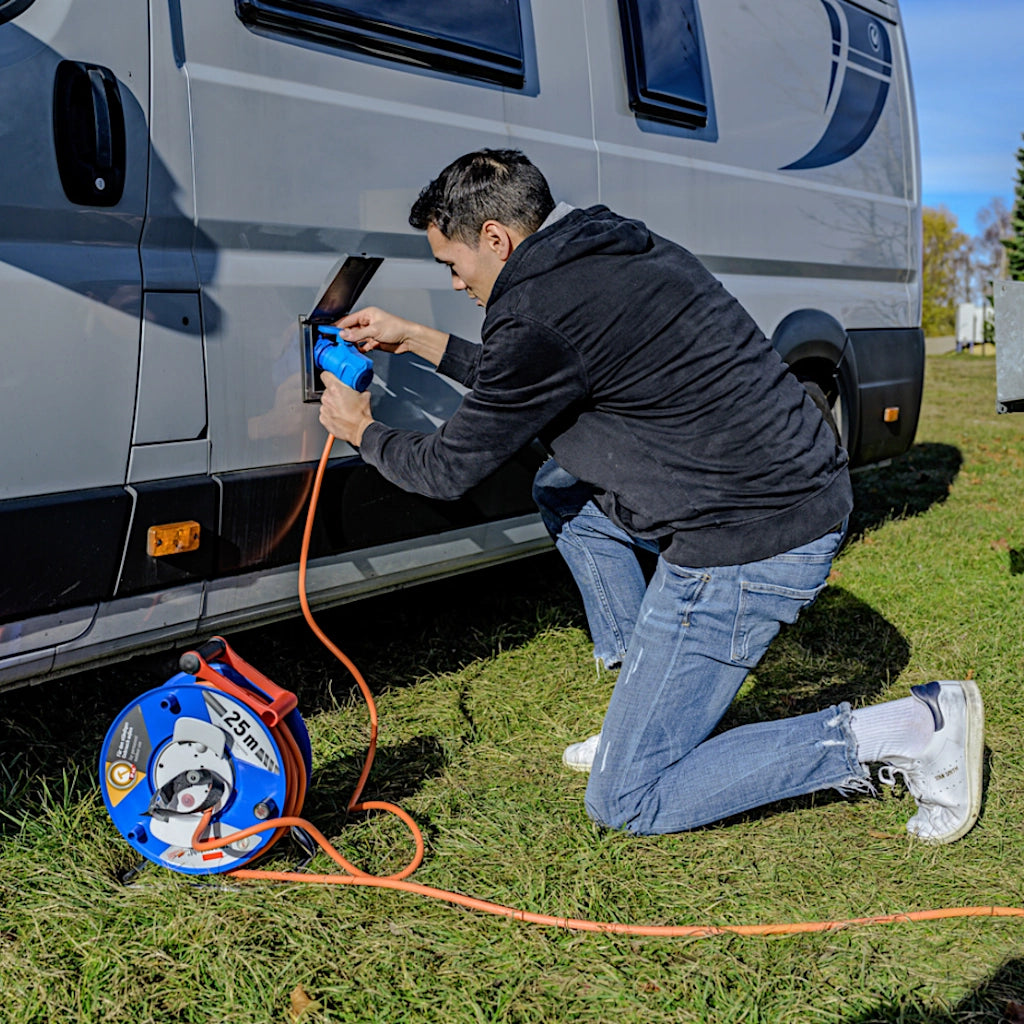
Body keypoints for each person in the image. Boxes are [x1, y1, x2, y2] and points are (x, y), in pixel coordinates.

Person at [318, 149, 984, 844]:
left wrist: (362, 431)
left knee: (629, 797)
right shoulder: (605, 248)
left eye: (451, 265)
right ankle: (650, 694)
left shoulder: (537, 313)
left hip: (751, 537)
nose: (454, 282)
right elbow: (537, 374)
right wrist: (421, 340)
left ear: (495, 239)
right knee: (560, 489)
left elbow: (450, 468)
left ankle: (910, 731)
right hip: (795, 487)